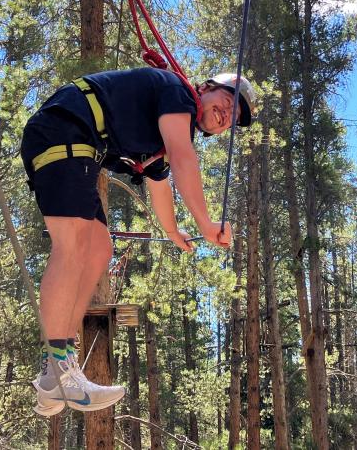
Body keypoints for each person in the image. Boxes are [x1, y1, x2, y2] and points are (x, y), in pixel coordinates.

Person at [21, 68, 256, 416]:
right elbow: (183, 157)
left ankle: (57, 368)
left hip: (72, 137)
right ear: (204, 89)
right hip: (66, 130)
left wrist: (175, 232)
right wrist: (206, 223)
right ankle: (57, 367)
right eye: (226, 103)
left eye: (232, 120)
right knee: (72, 244)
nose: (226, 116)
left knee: (99, 249)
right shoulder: (178, 94)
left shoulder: (161, 132)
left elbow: (160, 183)